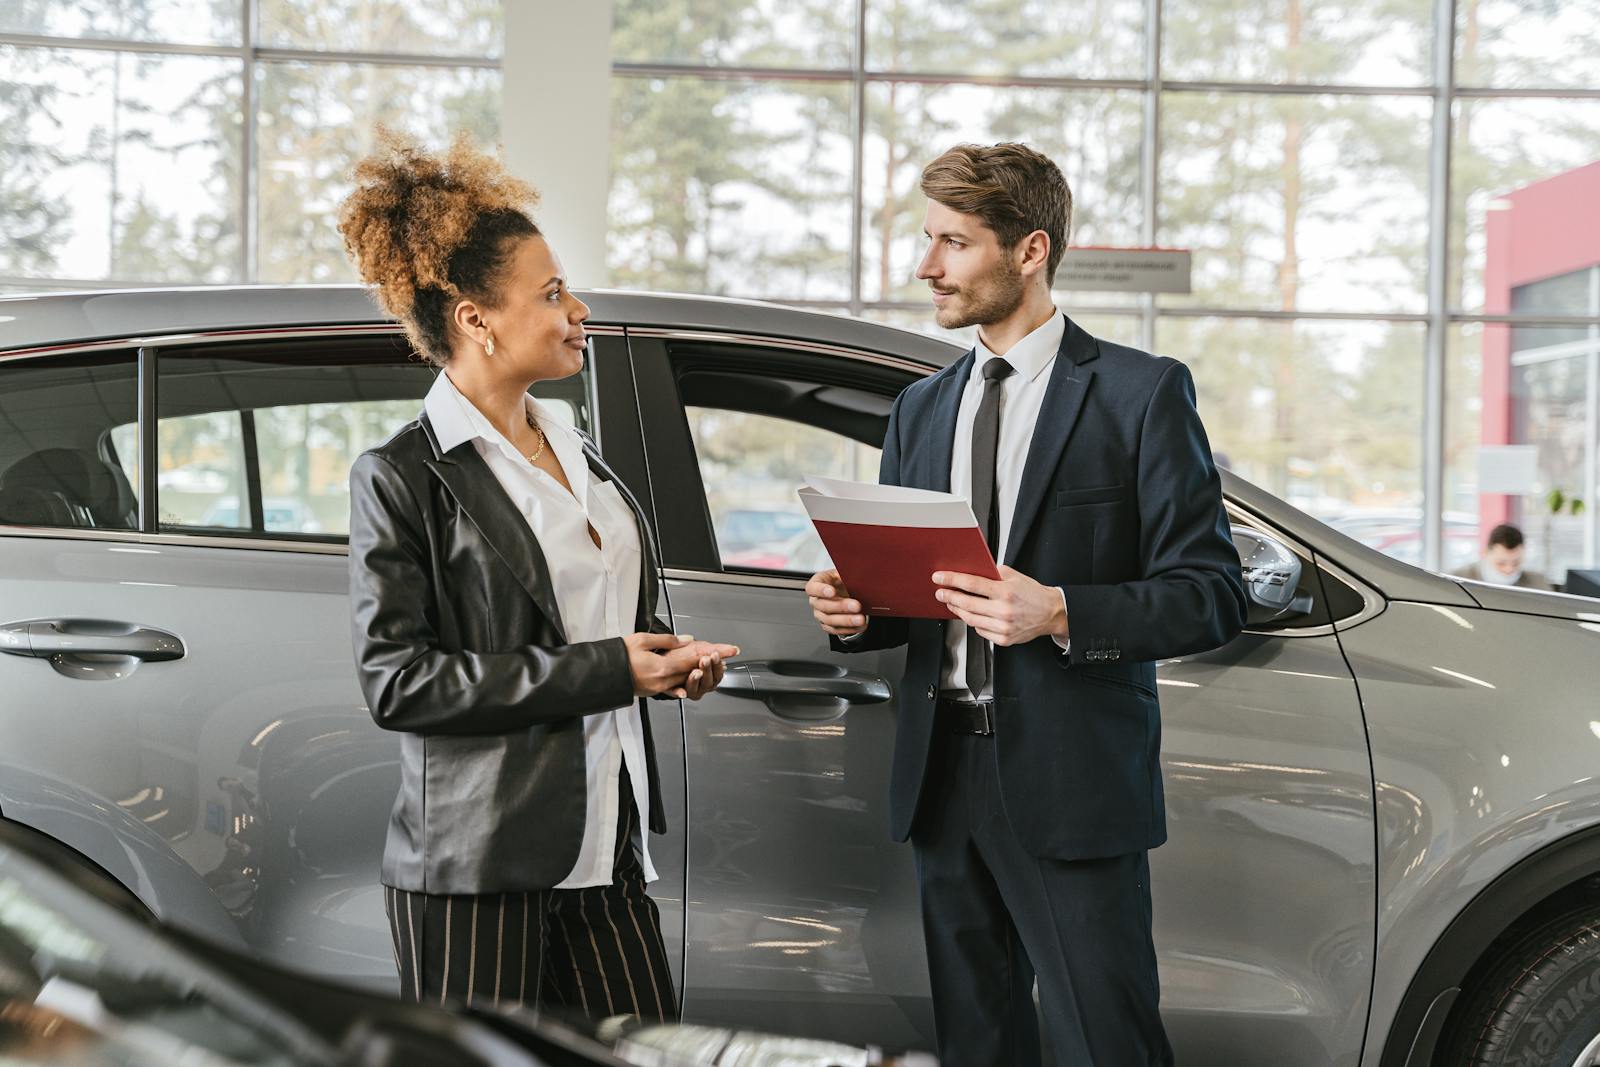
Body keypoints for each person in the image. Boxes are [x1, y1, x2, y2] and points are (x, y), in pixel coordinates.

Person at [806, 143, 1246, 1066]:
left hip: (1071, 779)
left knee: (1106, 1043)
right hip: (942, 776)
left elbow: (1210, 595)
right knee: (976, 1044)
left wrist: (1060, 612)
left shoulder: (1140, 393)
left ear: (1031, 249)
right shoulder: (920, 409)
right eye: (929, 239)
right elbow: (917, 596)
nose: (927, 266)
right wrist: (859, 610)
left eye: (954, 243)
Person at [340, 130, 736, 1018]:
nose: (577, 309)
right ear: (475, 319)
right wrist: (610, 669)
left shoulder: (574, 447)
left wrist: (664, 663)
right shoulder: (403, 476)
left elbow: (595, 618)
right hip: (479, 865)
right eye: (552, 293)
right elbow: (398, 682)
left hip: (608, 844)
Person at [1450, 522, 1552, 590]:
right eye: (1501, 563)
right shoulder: (1457, 580)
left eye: (1516, 563)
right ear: (1486, 553)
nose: (1509, 569)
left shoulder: (1538, 584)